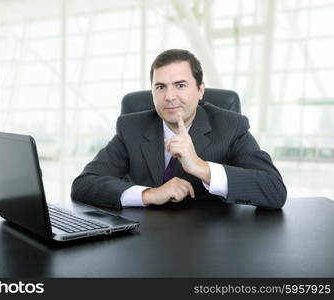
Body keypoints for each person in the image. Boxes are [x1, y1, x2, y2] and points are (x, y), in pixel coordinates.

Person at [71, 49, 287, 209]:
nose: (170, 96)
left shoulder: (230, 126)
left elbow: (274, 190)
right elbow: (84, 184)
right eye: (160, 87)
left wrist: (202, 167)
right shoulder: (132, 127)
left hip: (209, 245)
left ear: (200, 90)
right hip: (145, 242)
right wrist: (148, 194)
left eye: (180, 85)